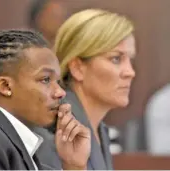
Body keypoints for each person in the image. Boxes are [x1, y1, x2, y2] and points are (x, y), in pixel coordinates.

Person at [0, 30, 91, 170]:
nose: (60, 92)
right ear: (5, 86)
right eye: (46, 79)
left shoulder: (14, 138)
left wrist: (74, 166)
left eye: (57, 82)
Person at [34, 9, 136, 170]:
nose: (130, 72)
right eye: (116, 59)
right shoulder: (55, 129)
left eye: (130, 59)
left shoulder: (99, 129)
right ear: (77, 68)